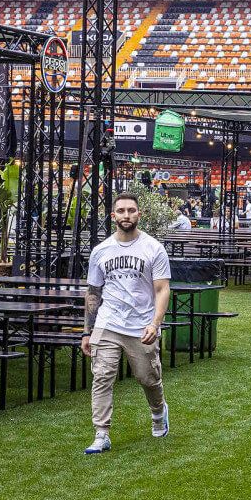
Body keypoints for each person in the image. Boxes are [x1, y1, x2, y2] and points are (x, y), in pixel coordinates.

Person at [81, 192, 172, 454]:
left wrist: (155, 324)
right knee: (102, 376)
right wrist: (88, 331)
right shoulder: (101, 251)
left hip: (141, 324)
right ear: (113, 216)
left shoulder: (153, 248)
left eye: (131, 210)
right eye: (121, 211)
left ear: (138, 214)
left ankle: (158, 411)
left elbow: (162, 289)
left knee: (147, 377)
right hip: (108, 322)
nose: (126, 215)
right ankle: (101, 433)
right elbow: (93, 292)